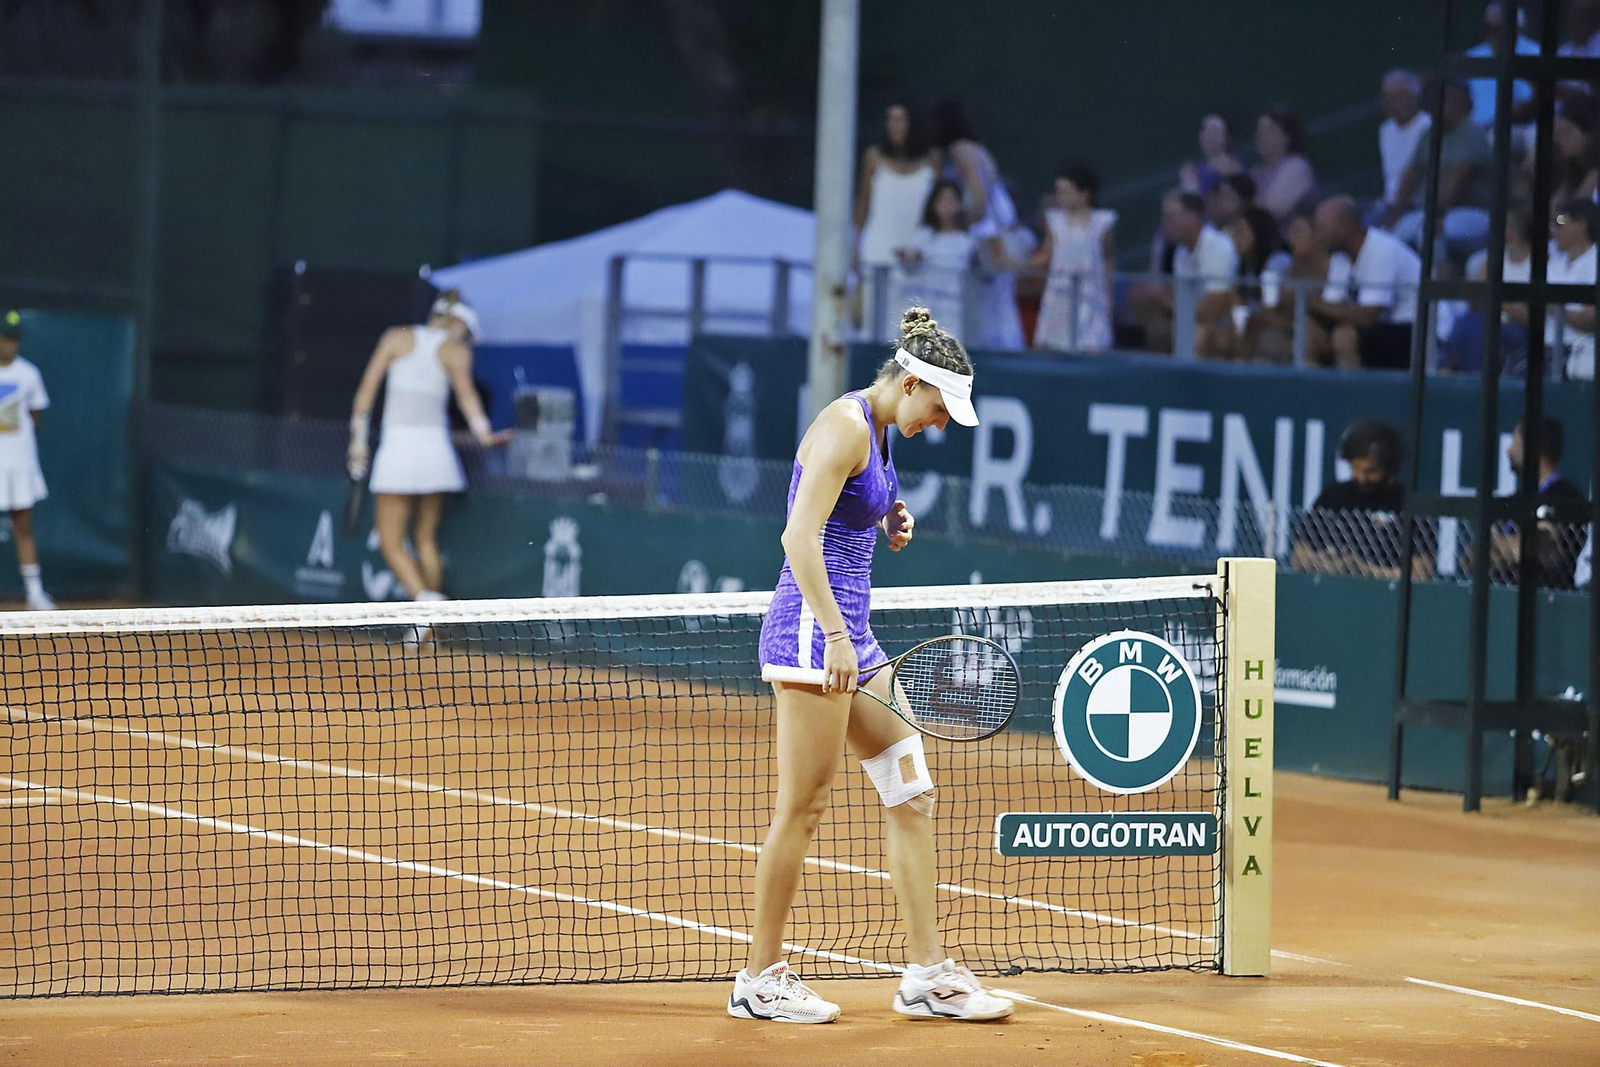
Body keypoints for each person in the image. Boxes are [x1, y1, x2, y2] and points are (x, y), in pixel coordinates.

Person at [731, 307, 1012, 1025]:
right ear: (913, 380)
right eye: (941, 407)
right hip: (811, 634)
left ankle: (925, 975)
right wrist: (834, 635)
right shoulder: (847, 424)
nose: (943, 422)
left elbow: (846, 507)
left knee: (910, 784)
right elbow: (798, 533)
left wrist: (890, 516)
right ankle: (758, 977)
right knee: (805, 804)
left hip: (852, 632)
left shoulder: (882, 433)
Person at [347, 290, 511, 604]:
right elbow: (468, 399)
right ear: (457, 320)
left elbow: (365, 393)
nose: (468, 337)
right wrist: (485, 436)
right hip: (435, 456)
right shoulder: (455, 351)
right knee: (425, 540)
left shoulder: (396, 338)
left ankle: (425, 603)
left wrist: (357, 444)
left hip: (400, 452)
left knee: (392, 544)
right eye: (468, 330)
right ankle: (430, 625)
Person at [930, 100, 1024, 349]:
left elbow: (979, 197)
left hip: (987, 229)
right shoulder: (977, 149)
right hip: (1000, 224)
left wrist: (960, 224)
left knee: (991, 300)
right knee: (1001, 301)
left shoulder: (961, 150)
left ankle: (998, 348)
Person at [1292, 419, 1419, 579]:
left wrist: (1362, 569)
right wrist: (1324, 562)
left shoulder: (1408, 504)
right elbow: (1299, 554)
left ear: (1390, 468)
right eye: (1355, 468)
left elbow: (1420, 573)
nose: (1361, 477)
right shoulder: (1333, 496)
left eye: (1371, 471)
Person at [855, 101, 939, 338]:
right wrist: (855, 246)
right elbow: (862, 202)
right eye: (890, 118)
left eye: (901, 119)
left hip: (916, 254)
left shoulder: (932, 160)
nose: (895, 125)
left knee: (914, 327)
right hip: (877, 250)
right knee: (873, 323)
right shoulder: (874, 157)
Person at [1385, 80, 1493, 261]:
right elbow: (1411, 174)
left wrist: (1431, 215)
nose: (1434, 105)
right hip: (1435, 213)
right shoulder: (1430, 134)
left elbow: (1454, 185)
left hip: (1476, 212)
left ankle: (1439, 277)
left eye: (1443, 99)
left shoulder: (1472, 132)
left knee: (1429, 231)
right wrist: (1396, 213)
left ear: (1460, 102)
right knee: (1393, 234)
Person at [1311, 195, 1423, 370]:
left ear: (1344, 227)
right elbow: (1333, 306)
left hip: (1421, 331)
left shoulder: (1382, 250)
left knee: (1344, 336)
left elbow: (1369, 315)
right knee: (1312, 333)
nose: (1317, 236)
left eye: (1322, 228)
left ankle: (1352, 396)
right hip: (1385, 328)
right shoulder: (1339, 256)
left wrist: (1310, 303)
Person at [1130, 190, 1239, 354]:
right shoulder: (1181, 251)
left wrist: (1160, 296)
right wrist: (1155, 295)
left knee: (1196, 334)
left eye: (1171, 217)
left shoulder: (1218, 247)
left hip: (1225, 324)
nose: (1165, 224)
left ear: (1193, 219)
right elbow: (1180, 295)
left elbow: (1212, 311)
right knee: (1152, 318)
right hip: (1193, 316)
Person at [1490, 416, 1588, 589]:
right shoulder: (1514, 501)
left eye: (1515, 442)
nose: (1509, 450)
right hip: (1502, 597)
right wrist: (1509, 548)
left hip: (1548, 601)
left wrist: (1503, 547)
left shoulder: (1566, 496)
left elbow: (1539, 545)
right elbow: (1474, 559)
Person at [1029, 162, 1116, 353]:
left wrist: (1109, 295)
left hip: (1091, 294)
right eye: (1059, 191)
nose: (1061, 197)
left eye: (1067, 192)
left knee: (1091, 345)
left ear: (1085, 194)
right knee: (1053, 345)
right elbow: (1047, 254)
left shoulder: (1103, 223)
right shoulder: (1055, 221)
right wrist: (1014, 264)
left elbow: (1108, 260)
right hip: (1059, 293)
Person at [0, 310, 55, 610]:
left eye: (15, 338)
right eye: (6, 338)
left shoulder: (29, 374)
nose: (10, 344)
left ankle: (35, 593)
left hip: (20, 463)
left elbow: (35, 418)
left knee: (23, 526)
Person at [892, 179, 978, 340]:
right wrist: (908, 259)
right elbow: (911, 267)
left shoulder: (967, 240)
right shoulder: (924, 236)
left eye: (952, 201)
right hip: (930, 305)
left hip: (955, 308)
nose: (947, 206)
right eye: (942, 201)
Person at [1245, 210, 1331, 364]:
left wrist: (1304, 301)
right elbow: (1268, 312)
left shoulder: (1335, 269)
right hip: (1290, 331)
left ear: (1317, 236)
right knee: (1265, 338)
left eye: (1298, 232)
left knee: (1308, 339)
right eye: (1290, 232)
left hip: (1325, 333)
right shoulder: (1286, 268)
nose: (1291, 239)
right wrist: (1293, 324)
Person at [1547, 198, 1599, 379]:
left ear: (1581, 225)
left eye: (1560, 222)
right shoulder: (1555, 263)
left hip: (1581, 352)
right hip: (1546, 348)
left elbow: (1592, 320)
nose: (1554, 230)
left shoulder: (1595, 262)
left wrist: (1553, 307)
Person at [1376, 70, 1431, 219]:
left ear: (1414, 97)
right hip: (1386, 206)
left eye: (1397, 97)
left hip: (1415, 208)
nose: (1390, 103)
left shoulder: (1428, 127)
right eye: (1386, 98)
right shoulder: (1385, 129)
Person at [1250, 108, 1317, 226]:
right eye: (1259, 130)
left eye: (1269, 131)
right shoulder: (1255, 172)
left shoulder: (1298, 168)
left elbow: (1271, 212)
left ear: (1287, 137)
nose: (1260, 136)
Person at [1178, 112, 1244, 197]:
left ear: (1227, 137)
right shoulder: (1193, 169)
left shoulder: (1236, 169)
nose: (1208, 136)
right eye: (1204, 130)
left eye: (1215, 131)